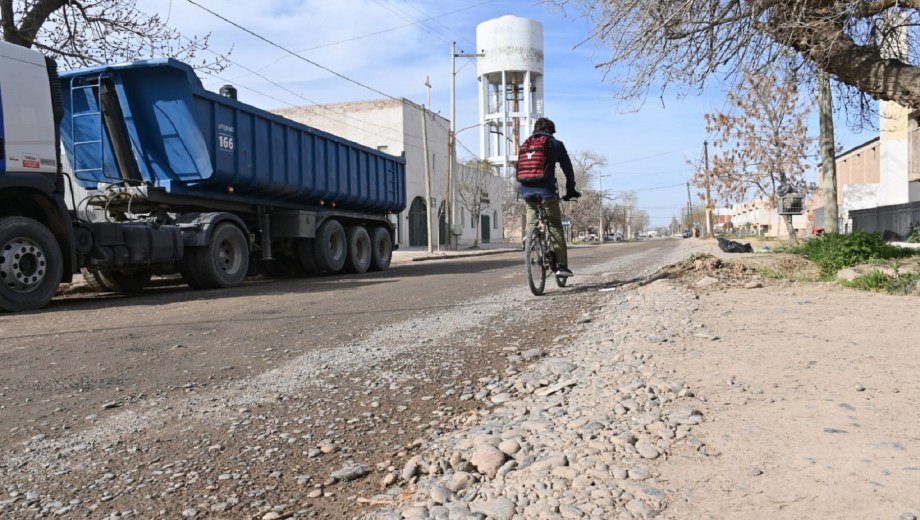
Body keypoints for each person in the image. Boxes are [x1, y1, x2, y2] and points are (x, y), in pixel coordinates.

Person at [518, 117, 581, 277]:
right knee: (554, 225)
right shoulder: (556, 144)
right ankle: (561, 266)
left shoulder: (526, 143)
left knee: (531, 215)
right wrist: (570, 189)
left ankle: (529, 236)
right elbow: (567, 168)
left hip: (526, 190)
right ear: (552, 130)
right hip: (547, 191)